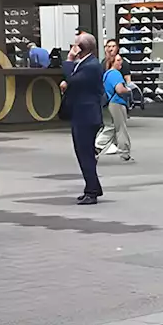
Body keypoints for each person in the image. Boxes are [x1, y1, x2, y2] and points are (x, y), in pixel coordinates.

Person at [60, 33, 104, 204]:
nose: (73, 47)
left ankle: (92, 191)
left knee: (85, 154)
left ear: (81, 48)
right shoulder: (86, 63)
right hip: (82, 114)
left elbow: (73, 80)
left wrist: (69, 60)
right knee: (83, 153)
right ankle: (92, 187)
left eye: (75, 44)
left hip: (86, 116)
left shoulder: (91, 65)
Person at [95, 53, 133, 162]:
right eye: (118, 60)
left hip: (107, 103)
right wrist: (129, 90)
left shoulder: (106, 74)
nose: (121, 62)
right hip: (116, 103)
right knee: (120, 128)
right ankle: (125, 152)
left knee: (109, 127)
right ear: (112, 62)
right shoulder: (115, 74)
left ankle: (97, 147)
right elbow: (119, 89)